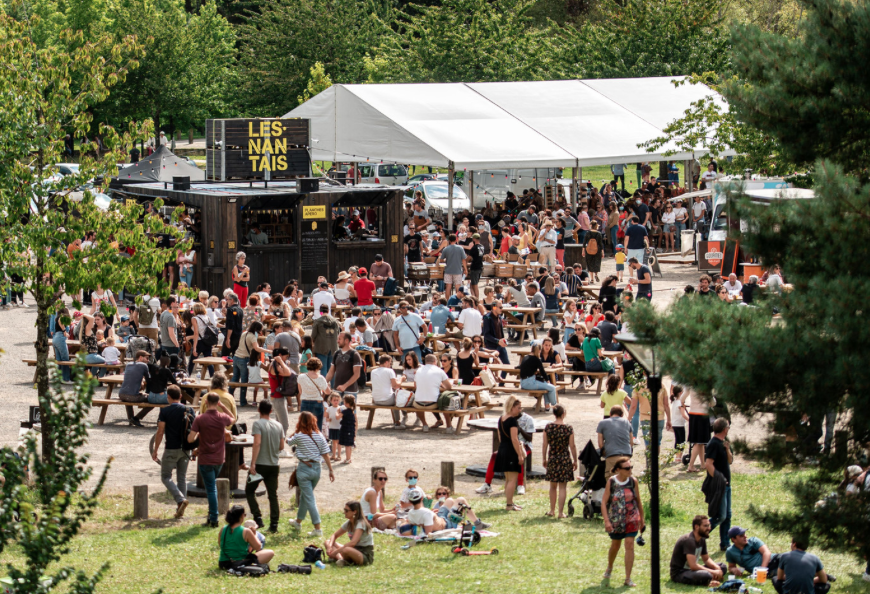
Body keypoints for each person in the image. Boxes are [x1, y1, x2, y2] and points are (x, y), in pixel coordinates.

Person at [189, 392, 235, 527]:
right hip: (219, 458)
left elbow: (190, 439)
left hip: (205, 458)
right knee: (212, 486)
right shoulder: (222, 417)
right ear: (218, 402)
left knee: (211, 489)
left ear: (206, 402)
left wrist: (198, 433)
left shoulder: (200, 419)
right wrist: (223, 407)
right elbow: (233, 419)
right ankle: (211, 515)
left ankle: (214, 518)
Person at [287, 411, 335, 537]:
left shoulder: (299, 435)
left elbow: (289, 442)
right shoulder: (320, 435)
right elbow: (325, 454)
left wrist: (294, 432)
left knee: (309, 499)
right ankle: (298, 522)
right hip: (317, 469)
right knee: (305, 496)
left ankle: (318, 528)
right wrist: (330, 470)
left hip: (304, 469)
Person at [602, 456, 644, 587]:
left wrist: (642, 519)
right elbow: (604, 502)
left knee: (630, 544)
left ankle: (628, 578)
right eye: (627, 468)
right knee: (615, 545)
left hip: (632, 519)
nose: (630, 470)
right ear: (619, 470)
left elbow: (638, 501)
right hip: (616, 520)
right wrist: (607, 521)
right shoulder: (612, 482)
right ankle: (610, 566)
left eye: (631, 467)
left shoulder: (633, 481)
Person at [150, 385, 190, 519]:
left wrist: (155, 450)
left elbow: (160, 431)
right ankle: (181, 509)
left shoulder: (165, 411)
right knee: (182, 478)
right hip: (186, 449)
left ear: (168, 397)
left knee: (166, 476)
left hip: (171, 448)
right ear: (180, 396)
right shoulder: (188, 410)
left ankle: (180, 499)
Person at [246, 400, 285, 533]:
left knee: (250, 490)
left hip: (260, 465)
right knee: (272, 495)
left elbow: (257, 443)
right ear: (271, 411)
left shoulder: (257, 424)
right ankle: (274, 524)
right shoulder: (279, 425)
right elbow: (281, 446)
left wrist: (253, 463)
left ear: (258, 410)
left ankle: (258, 517)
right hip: (274, 465)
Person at [670, 515, 727, 586]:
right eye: (705, 526)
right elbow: (693, 566)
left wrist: (717, 568)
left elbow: (706, 559)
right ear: (696, 527)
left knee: (722, 566)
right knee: (707, 575)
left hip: (692, 571)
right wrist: (714, 572)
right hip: (680, 573)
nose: (709, 528)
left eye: (709, 525)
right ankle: (708, 580)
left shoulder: (701, 539)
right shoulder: (689, 541)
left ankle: (710, 578)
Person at [542, 405, 577, 518]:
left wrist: (544, 458)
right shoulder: (568, 428)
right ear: (563, 414)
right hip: (565, 458)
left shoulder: (548, 427)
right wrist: (575, 460)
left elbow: (545, 444)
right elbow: (572, 446)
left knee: (553, 486)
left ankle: (552, 510)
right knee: (562, 487)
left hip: (553, 457)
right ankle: (560, 512)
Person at [218, 505, 275, 570]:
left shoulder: (223, 529)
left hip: (223, 563)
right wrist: (254, 533)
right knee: (270, 552)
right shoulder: (246, 531)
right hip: (239, 562)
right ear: (241, 516)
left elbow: (220, 544)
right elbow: (258, 547)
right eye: (244, 515)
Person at [494, 396, 526, 511]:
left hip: (503, 448)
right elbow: (514, 439)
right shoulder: (512, 420)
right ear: (512, 407)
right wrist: (520, 455)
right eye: (518, 408)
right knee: (512, 479)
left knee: (508, 479)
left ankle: (510, 502)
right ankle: (509, 505)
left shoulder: (501, 418)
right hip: (511, 450)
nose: (520, 410)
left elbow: (499, 436)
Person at [706, 418, 733, 551]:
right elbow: (708, 464)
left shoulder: (724, 443)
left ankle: (725, 543)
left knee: (727, 515)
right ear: (724, 429)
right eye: (728, 427)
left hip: (727, 486)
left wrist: (727, 449)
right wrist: (719, 479)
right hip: (719, 486)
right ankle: (698, 534)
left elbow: (730, 461)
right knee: (720, 516)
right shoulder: (713, 444)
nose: (728, 429)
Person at [326, 501, 375, 567]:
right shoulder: (349, 523)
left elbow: (353, 543)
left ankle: (339, 558)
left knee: (346, 549)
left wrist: (336, 552)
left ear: (354, 511)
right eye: (344, 510)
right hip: (354, 550)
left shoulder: (361, 523)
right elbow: (334, 535)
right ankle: (341, 560)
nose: (344, 512)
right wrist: (329, 546)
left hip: (364, 554)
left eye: (346, 510)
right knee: (328, 542)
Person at [412, 353, 453, 433]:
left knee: (418, 398)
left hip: (418, 403)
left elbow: (415, 386)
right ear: (435, 361)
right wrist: (440, 385)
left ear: (425, 361)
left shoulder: (418, 371)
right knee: (444, 401)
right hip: (433, 403)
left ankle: (424, 424)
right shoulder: (439, 371)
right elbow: (449, 387)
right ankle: (449, 426)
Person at [118, 350, 153, 427]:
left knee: (129, 394)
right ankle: (136, 418)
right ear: (140, 357)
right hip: (132, 396)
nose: (148, 360)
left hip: (121, 394)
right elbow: (149, 380)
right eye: (147, 358)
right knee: (154, 400)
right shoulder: (143, 366)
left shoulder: (128, 364)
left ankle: (131, 419)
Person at [519, 343, 558, 412]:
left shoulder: (525, 357)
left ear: (531, 349)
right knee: (552, 388)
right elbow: (542, 371)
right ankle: (555, 407)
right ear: (539, 351)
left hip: (523, 382)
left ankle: (547, 406)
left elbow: (520, 367)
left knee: (546, 386)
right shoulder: (537, 359)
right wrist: (547, 380)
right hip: (530, 382)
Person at [598, 406, 633, 476]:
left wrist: (605, 453)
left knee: (611, 480)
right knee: (626, 479)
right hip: (626, 455)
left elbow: (600, 444)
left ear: (610, 414)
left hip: (611, 454)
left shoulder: (602, 423)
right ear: (622, 415)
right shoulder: (627, 423)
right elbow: (631, 443)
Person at [298, 356, 330, 432]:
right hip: (317, 402)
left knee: (304, 427)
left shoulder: (301, 377)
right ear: (318, 367)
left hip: (305, 402)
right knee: (317, 428)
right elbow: (328, 392)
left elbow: (300, 391)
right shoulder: (320, 378)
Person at [326, 331, 363, 398]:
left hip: (350, 392)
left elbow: (357, 374)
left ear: (346, 340)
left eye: (340, 339)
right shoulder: (336, 353)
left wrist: (344, 386)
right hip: (337, 391)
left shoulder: (354, 354)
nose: (337, 341)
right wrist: (324, 383)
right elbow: (331, 372)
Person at [311, 305, 340, 375]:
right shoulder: (335, 321)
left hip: (321, 347)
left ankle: (324, 385)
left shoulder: (317, 322)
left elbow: (313, 336)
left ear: (320, 312)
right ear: (328, 311)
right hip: (333, 347)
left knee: (322, 368)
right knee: (332, 369)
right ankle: (333, 385)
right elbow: (338, 333)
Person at [339, 394, 357, 463]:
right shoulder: (352, 411)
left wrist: (338, 411)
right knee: (349, 445)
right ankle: (349, 458)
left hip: (346, 430)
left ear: (347, 403)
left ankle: (347, 459)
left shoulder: (345, 411)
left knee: (347, 446)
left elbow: (338, 417)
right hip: (351, 430)